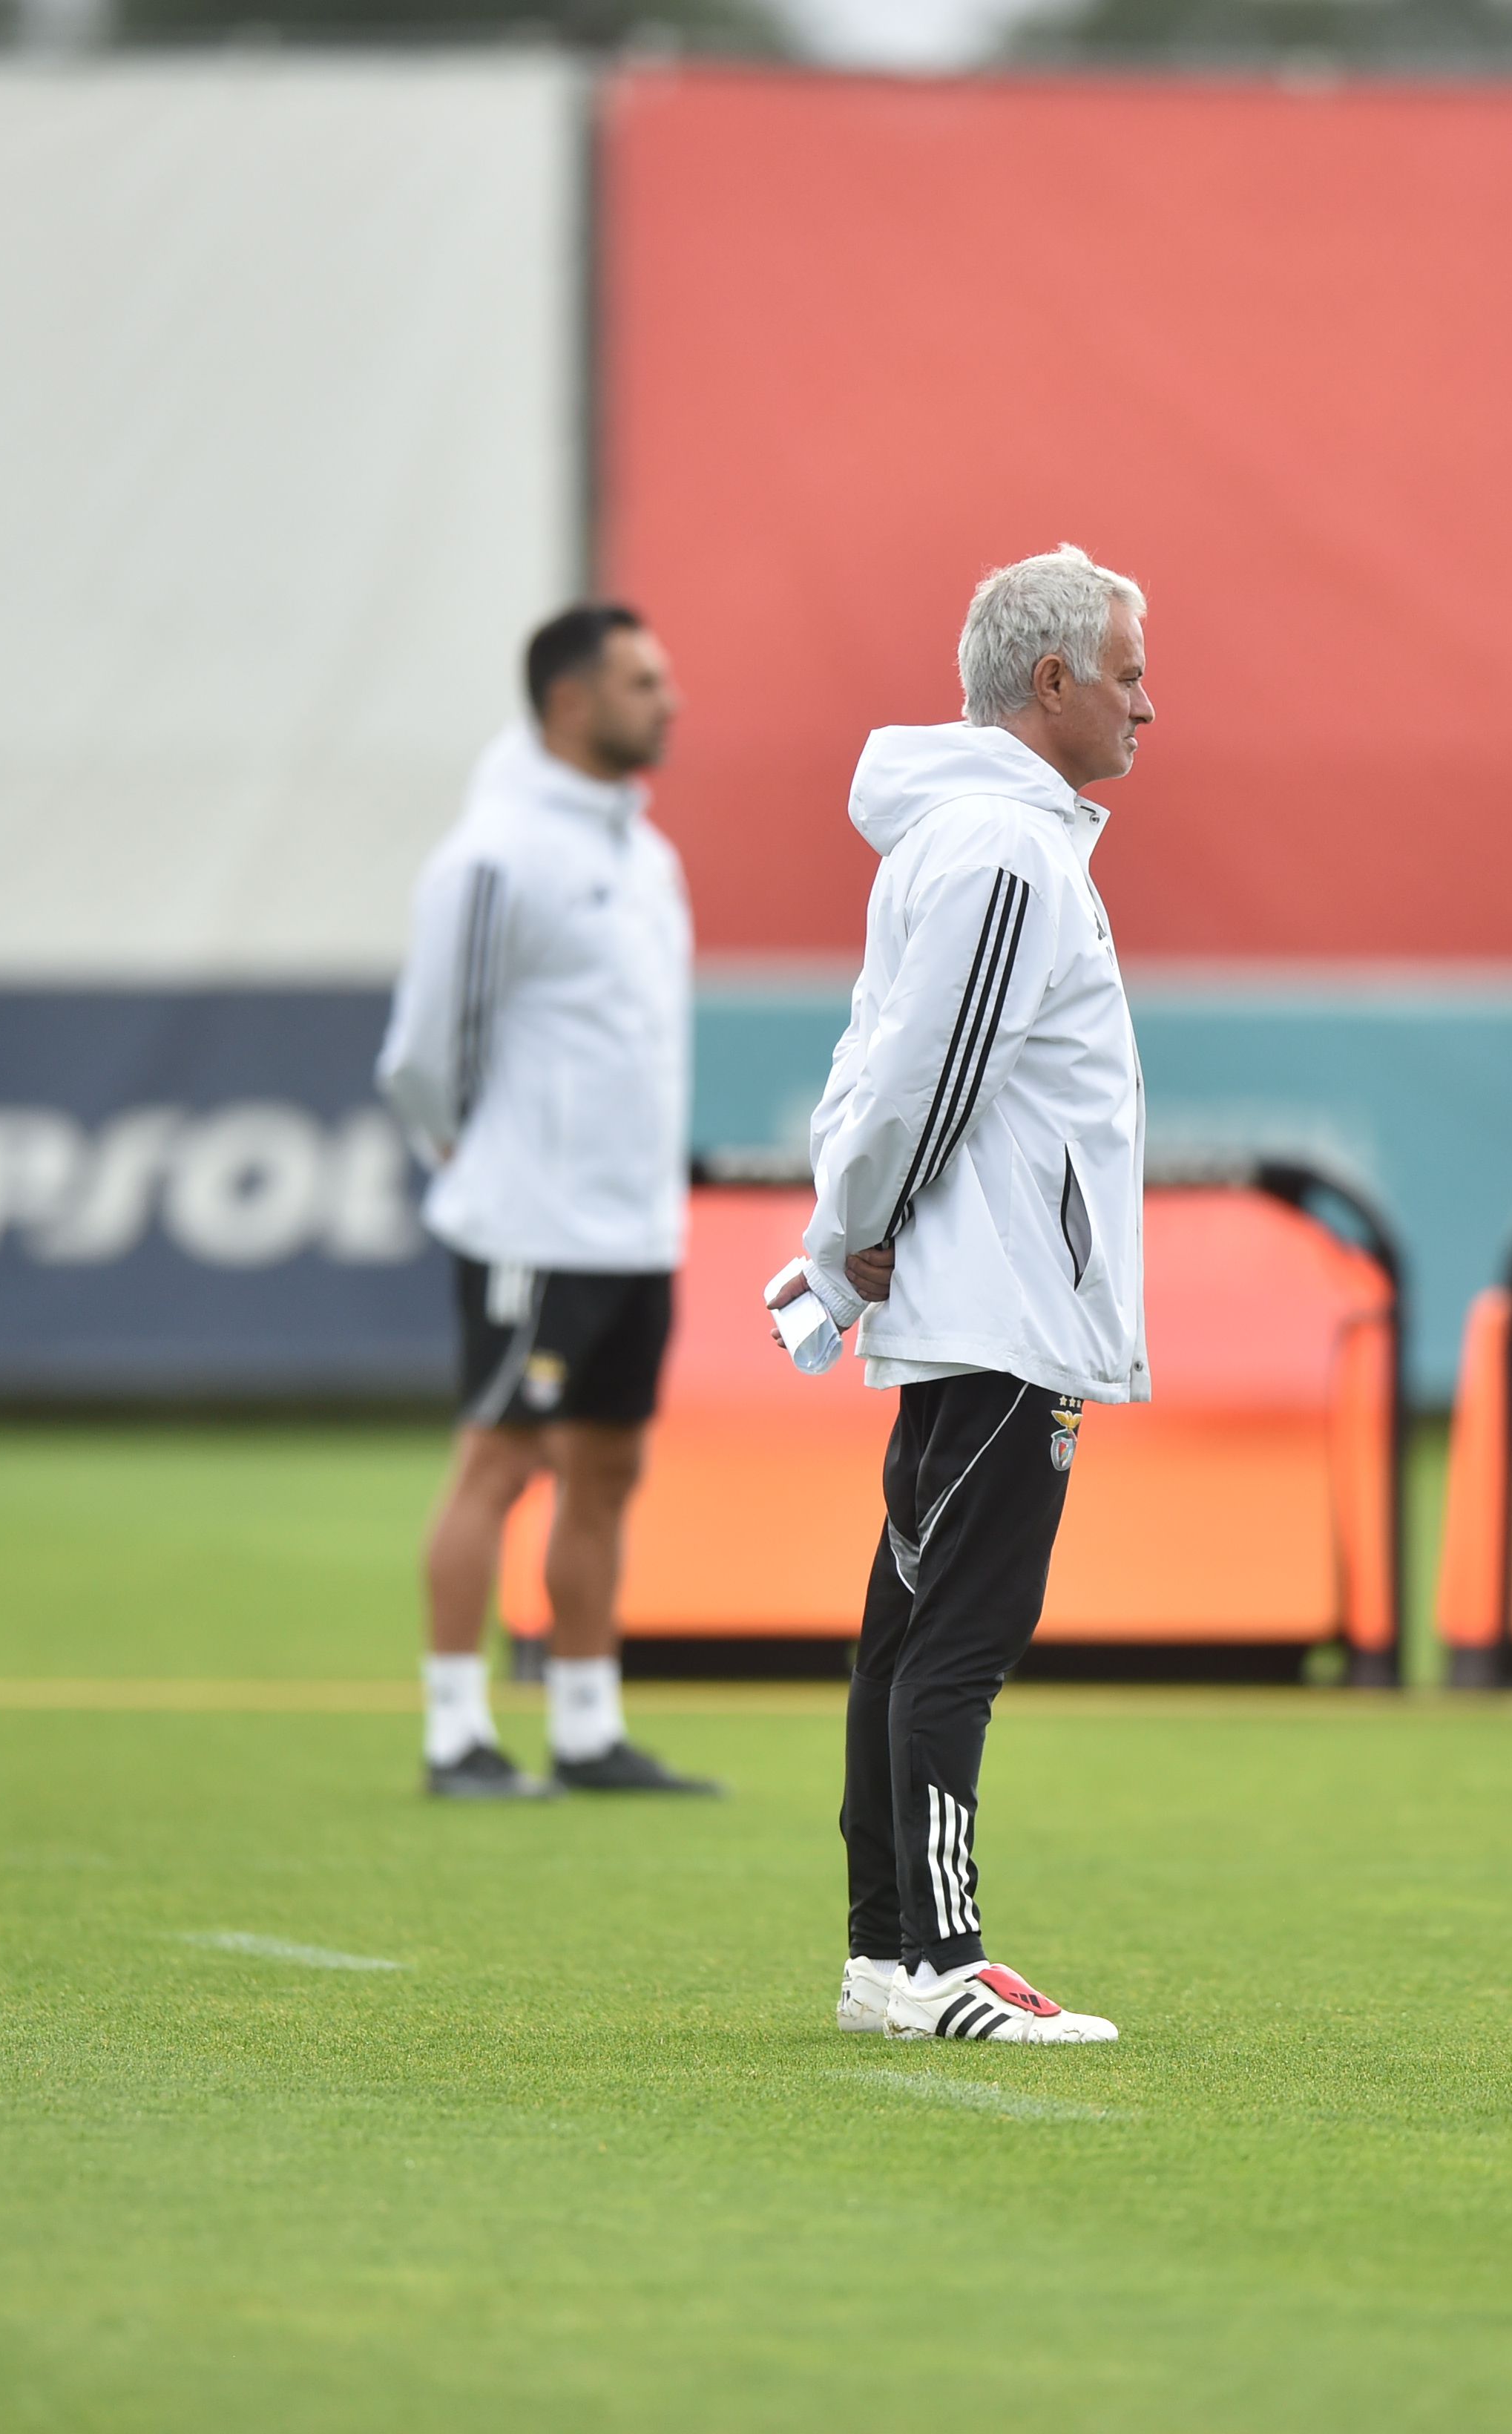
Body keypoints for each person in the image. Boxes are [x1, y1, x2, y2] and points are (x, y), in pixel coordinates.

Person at [769, 545, 1154, 2044]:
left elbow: (878, 1059)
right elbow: (933, 1070)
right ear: (1049, 681)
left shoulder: (971, 839)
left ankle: (884, 1954)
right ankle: (940, 1954)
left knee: (910, 1623)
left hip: (976, 1290)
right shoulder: (1003, 849)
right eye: (1127, 671)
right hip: (997, 1299)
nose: (1146, 704)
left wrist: (845, 1229)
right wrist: (852, 1232)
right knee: (960, 1635)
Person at [377, 603, 719, 1801]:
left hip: (634, 1228)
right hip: (532, 1225)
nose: (669, 701)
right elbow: (426, 1050)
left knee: (608, 1468)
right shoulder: (493, 854)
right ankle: (455, 1733)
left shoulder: (647, 854)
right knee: (500, 1461)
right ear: (570, 703)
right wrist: (481, 1170)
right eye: (643, 681)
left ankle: (585, 1729)